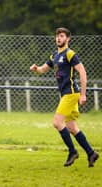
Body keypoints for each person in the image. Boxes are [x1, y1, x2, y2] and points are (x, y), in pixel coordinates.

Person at [30, 27, 99, 167]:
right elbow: (43, 69)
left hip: (71, 93)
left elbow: (83, 72)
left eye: (62, 36)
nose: (58, 38)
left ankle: (72, 152)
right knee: (72, 127)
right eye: (57, 36)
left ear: (68, 39)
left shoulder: (70, 54)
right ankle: (91, 153)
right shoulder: (54, 55)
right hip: (65, 94)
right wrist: (36, 69)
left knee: (57, 122)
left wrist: (84, 94)